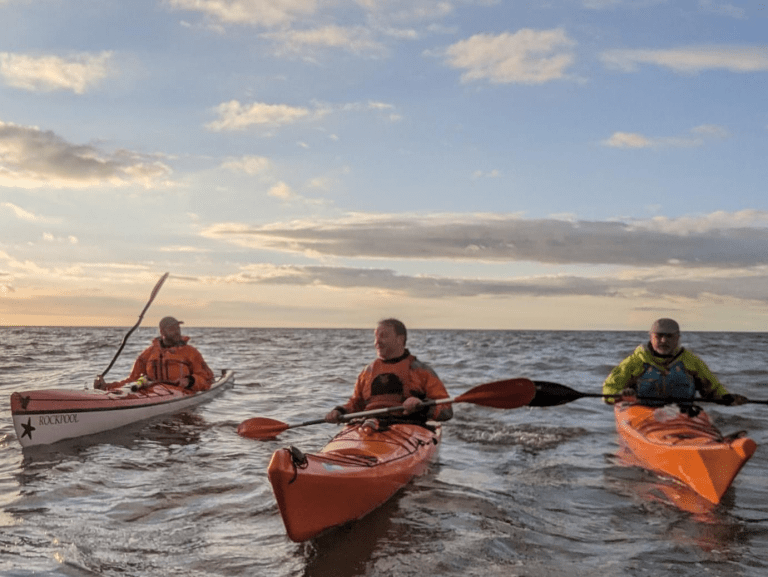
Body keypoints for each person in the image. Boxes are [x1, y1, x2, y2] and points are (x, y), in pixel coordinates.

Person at [325, 318, 453, 425]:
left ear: (400, 339)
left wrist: (422, 406)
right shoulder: (367, 372)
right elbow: (356, 404)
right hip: (369, 425)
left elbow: (446, 410)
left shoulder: (421, 371)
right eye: (376, 336)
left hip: (408, 426)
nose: (377, 342)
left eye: (384, 336)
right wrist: (340, 411)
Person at [602, 318, 746, 406]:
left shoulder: (691, 361)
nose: (664, 340)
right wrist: (619, 395)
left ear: (677, 338)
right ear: (651, 337)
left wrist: (726, 398)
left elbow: (712, 389)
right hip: (643, 414)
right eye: (659, 336)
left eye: (669, 336)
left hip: (682, 415)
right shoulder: (635, 362)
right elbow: (609, 389)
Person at [94, 316, 214, 392]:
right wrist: (106, 387)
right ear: (162, 331)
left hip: (181, 394)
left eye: (178, 328)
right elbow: (133, 379)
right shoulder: (148, 354)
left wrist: (191, 381)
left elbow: (207, 379)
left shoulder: (191, 352)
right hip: (152, 394)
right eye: (172, 329)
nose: (177, 331)